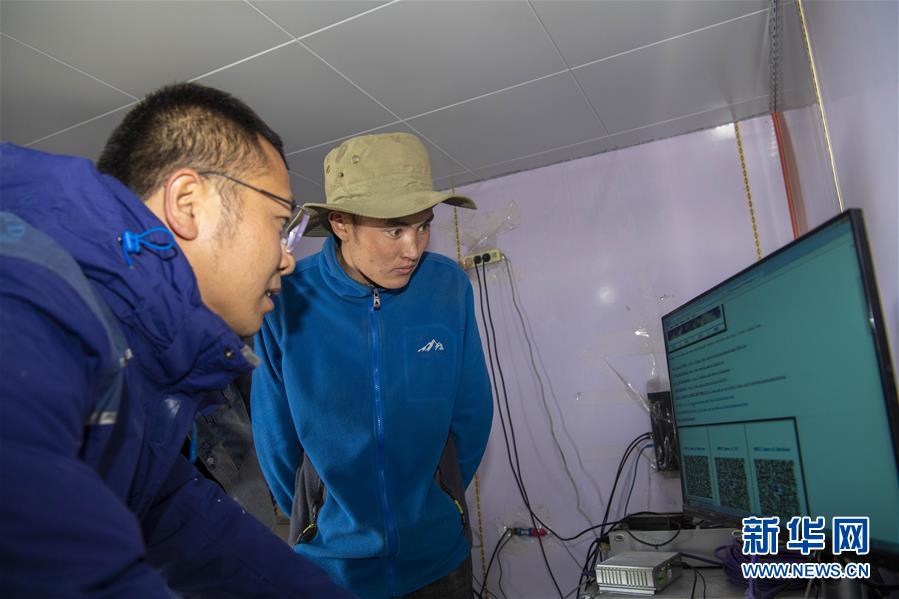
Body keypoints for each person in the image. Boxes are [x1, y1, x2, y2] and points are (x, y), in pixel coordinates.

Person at [0, 82, 352, 597]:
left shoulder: (138, 355)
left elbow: (178, 519)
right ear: (187, 203)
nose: (287, 259)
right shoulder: (30, 301)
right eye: (280, 222)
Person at [251, 132, 494, 598]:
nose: (414, 249)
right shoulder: (285, 298)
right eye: (395, 231)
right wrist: (317, 517)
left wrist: (440, 498)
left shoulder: (448, 287)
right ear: (341, 223)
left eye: (423, 227)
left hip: (439, 561)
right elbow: (275, 439)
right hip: (331, 570)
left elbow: (471, 416)